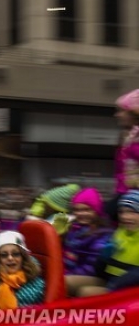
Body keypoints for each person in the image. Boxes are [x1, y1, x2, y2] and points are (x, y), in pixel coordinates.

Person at [66, 189, 139, 297]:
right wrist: (103, 259)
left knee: (86, 293)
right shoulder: (119, 233)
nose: (125, 217)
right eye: (122, 212)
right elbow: (99, 272)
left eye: (132, 212)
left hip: (129, 289)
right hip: (109, 280)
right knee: (64, 282)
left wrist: (113, 286)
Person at [105, 89, 139, 222]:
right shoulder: (126, 137)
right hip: (125, 194)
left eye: (121, 110)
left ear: (134, 112)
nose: (117, 115)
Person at [63, 188, 113, 276]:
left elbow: (92, 266)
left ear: (97, 211)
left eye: (86, 210)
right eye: (76, 210)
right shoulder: (74, 228)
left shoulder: (102, 234)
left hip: (87, 275)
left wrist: (66, 273)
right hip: (69, 270)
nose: (80, 214)